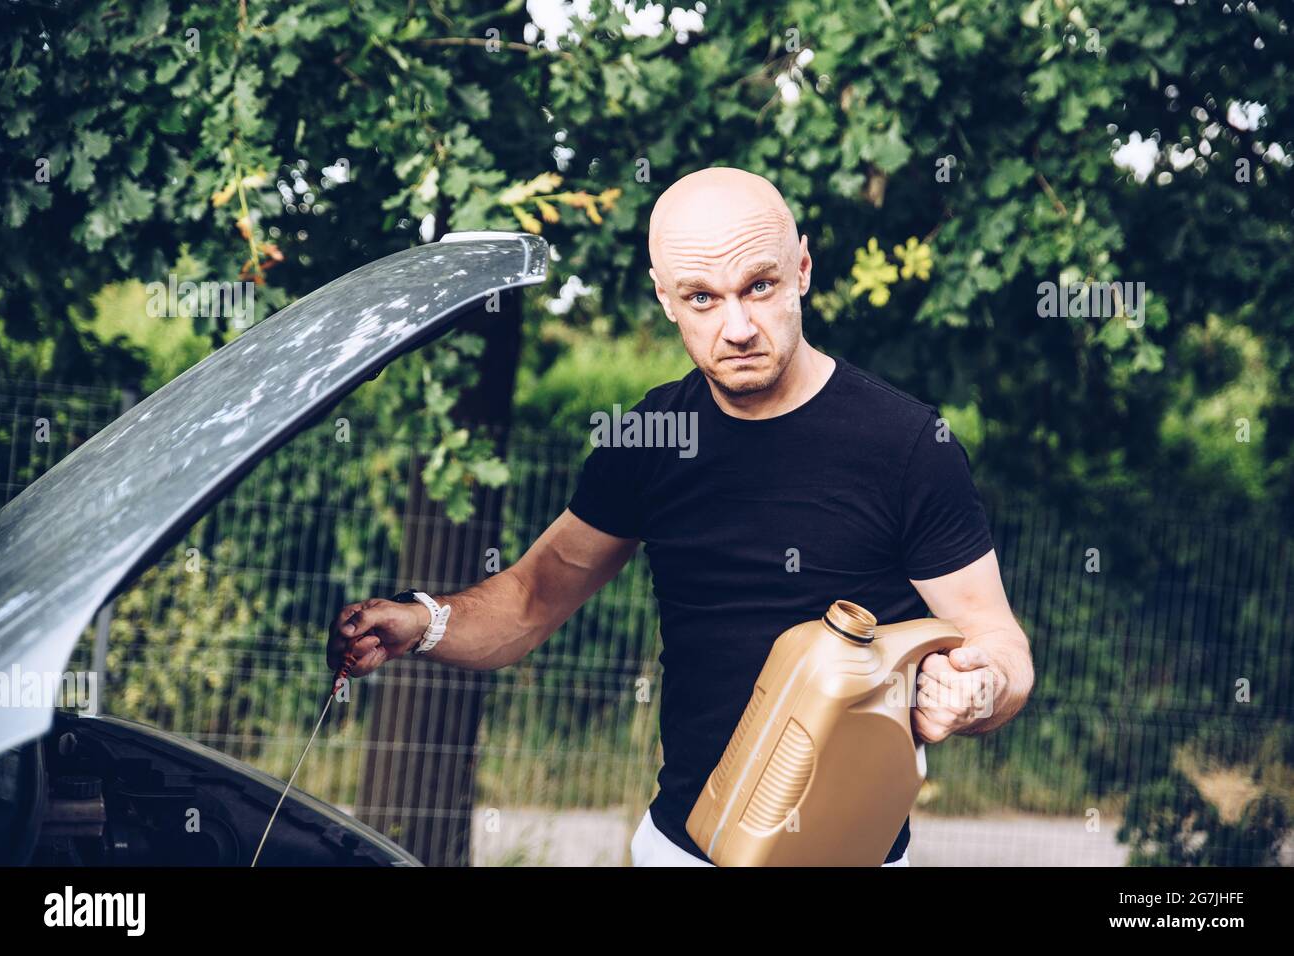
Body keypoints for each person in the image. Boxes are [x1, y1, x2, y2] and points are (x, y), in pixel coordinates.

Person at [327, 166, 1035, 866]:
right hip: (682, 848)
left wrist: (978, 690)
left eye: (760, 286)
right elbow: (532, 597)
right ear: (666, 299)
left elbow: (998, 644)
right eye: (702, 298)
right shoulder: (649, 437)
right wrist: (422, 622)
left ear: (804, 270)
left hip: (853, 856)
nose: (737, 327)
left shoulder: (907, 445)